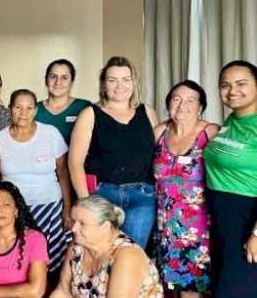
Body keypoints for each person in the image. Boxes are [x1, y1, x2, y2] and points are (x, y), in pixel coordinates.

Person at [69, 56, 160, 247]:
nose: (120, 85)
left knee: (132, 254)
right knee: (98, 252)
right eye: (112, 80)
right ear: (103, 85)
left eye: (126, 79)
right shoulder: (90, 115)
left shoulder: (148, 113)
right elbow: (74, 162)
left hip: (142, 198)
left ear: (134, 82)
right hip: (103, 195)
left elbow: (162, 155)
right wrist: (86, 202)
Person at [0, 89, 72, 277]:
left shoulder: (50, 133)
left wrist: (68, 209)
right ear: (9, 109)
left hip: (50, 208)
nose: (23, 112)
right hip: (14, 212)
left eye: (29, 108)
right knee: (18, 264)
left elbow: (63, 172)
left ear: (35, 111)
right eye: (18, 107)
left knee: (51, 265)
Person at [152, 81, 219, 297]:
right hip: (165, 224)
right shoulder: (160, 131)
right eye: (176, 99)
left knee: (192, 288)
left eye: (190, 100)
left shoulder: (210, 132)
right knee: (172, 285)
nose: (182, 105)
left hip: (198, 226)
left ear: (200, 107)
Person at [204, 60, 257, 297]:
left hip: (247, 218)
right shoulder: (232, 120)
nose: (232, 91)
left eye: (241, 83)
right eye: (225, 85)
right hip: (221, 219)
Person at [50, 195, 163, 298]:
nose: (74, 229)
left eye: (82, 224)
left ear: (105, 226)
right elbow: (63, 291)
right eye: (74, 221)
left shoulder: (127, 256)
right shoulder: (77, 246)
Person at [35, 59, 91, 145]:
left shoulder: (84, 107)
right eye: (53, 77)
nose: (58, 82)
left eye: (64, 78)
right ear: (46, 80)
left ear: (72, 82)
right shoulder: (33, 109)